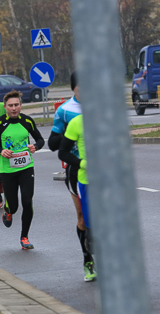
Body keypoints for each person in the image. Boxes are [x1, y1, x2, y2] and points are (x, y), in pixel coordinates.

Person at [48, 72, 95, 281]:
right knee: (83, 218)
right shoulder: (65, 110)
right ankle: (88, 262)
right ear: (75, 88)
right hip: (77, 171)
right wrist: (68, 132)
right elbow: (52, 144)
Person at [0, 90, 45, 250]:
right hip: (7, 170)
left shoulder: (27, 121)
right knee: (14, 205)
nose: (14, 108)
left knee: (27, 201)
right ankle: (8, 210)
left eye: (16, 105)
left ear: (20, 105)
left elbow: (40, 139)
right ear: (5, 107)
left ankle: (24, 237)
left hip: (26, 167)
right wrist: (0, 151)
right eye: (10, 105)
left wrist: (35, 146)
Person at [58, 114, 96, 282]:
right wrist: (82, 163)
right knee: (82, 218)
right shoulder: (70, 117)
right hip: (79, 176)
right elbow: (61, 150)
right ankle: (88, 261)